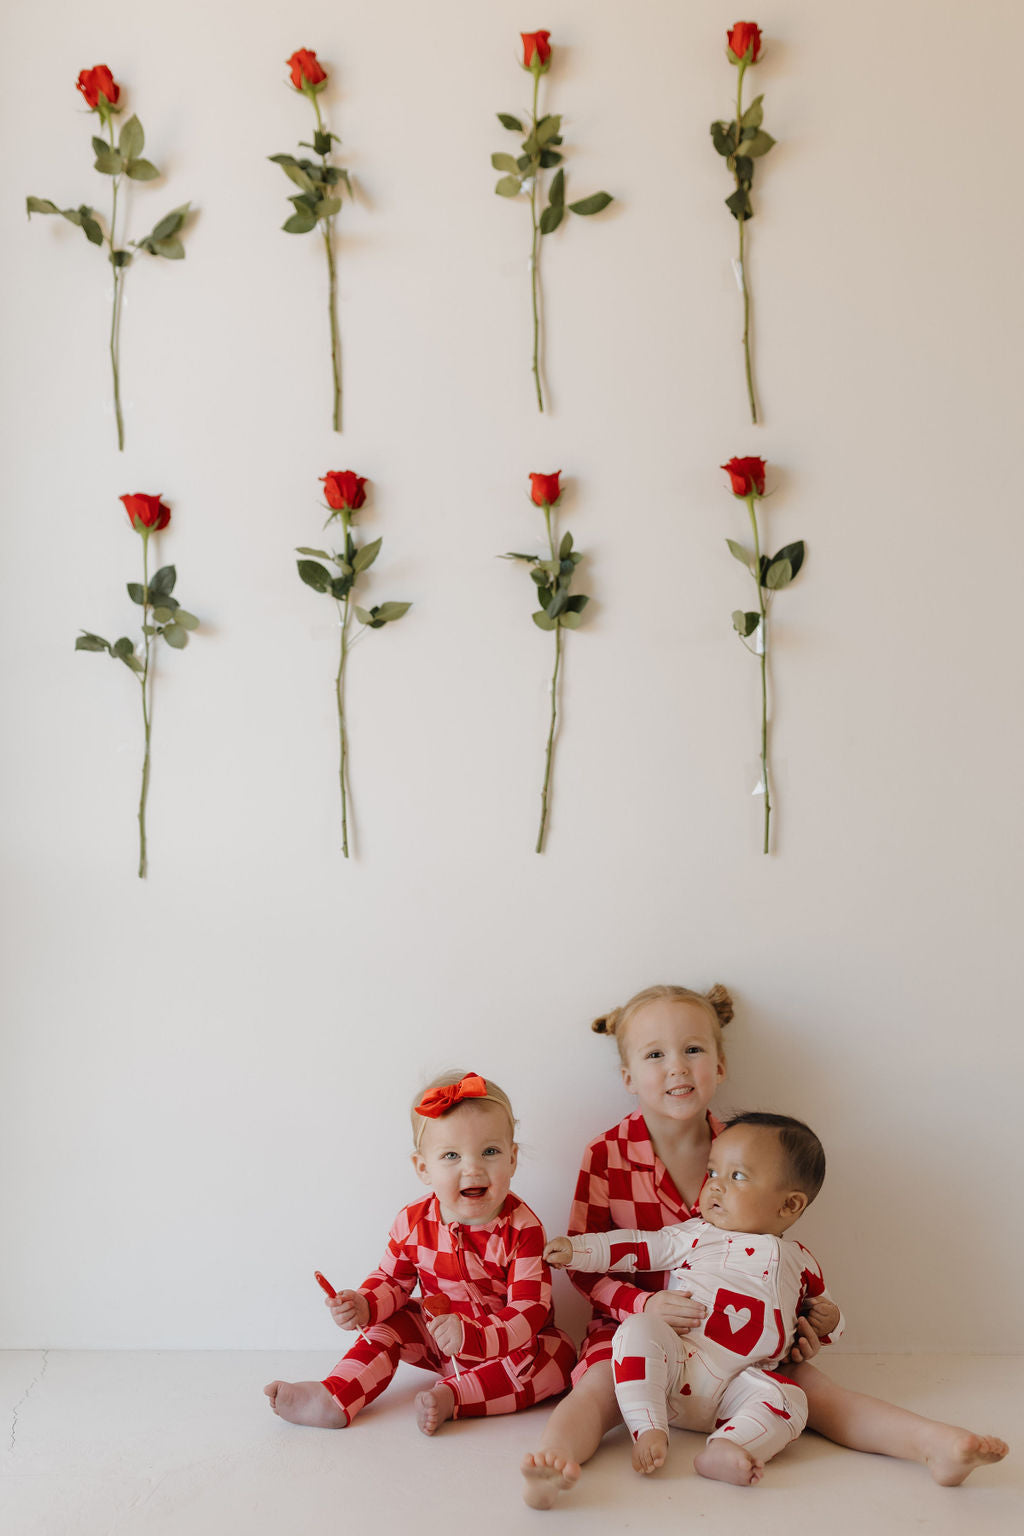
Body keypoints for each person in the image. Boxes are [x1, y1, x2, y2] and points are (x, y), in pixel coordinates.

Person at [521, 983, 1008, 1508]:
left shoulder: (750, 1147)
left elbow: (771, 1258)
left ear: (720, 1064)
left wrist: (801, 1324)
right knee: (596, 1389)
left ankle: (934, 1446)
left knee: (814, 1392)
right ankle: (553, 1465)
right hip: (636, 1329)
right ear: (629, 1077)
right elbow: (587, 1259)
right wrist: (643, 1304)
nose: (677, 1067)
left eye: (693, 1050)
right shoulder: (607, 1154)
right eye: (655, 1055)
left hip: (736, 1343)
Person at [265, 1071, 574, 1435]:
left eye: (489, 1151)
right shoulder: (412, 1222)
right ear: (423, 1168)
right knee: (388, 1322)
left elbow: (529, 1311)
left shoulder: (523, 1229)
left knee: (559, 1356)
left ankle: (452, 1398)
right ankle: (336, 1395)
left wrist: (472, 1336)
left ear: (512, 1159)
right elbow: (391, 1281)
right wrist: (364, 1303)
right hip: (439, 1341)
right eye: (451, 1155)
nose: (472, 1168)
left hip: (507, 1349)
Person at [546, 1112, 840, 1486]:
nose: (714, 1186)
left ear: (789, 1205)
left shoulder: (800, 1262)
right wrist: (578, 1249)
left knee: (791, 1401)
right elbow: (638, 1245)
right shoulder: (697, 1234)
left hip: (741, 1382)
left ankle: (729, 1446)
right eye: (713, 1172)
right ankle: (648, 1425)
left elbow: (824, 1313)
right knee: (638, 1329)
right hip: (676, 1366)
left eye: (736, 1177)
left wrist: (829, 1322)